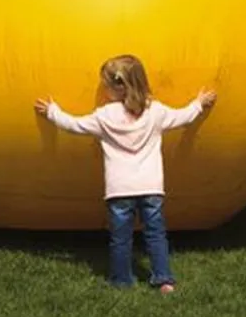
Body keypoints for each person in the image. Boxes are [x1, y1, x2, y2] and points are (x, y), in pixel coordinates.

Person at [35, 54, 216, 292]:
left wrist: (52, 112)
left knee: (121, 239)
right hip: (151, 187)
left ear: (113, 88)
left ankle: (122, 280)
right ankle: (163, 279)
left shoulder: (104, 116)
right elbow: (183, 117)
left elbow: (74, 125)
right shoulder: (155, 112)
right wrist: (198, 103)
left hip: (120, 190)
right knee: (155, 236)